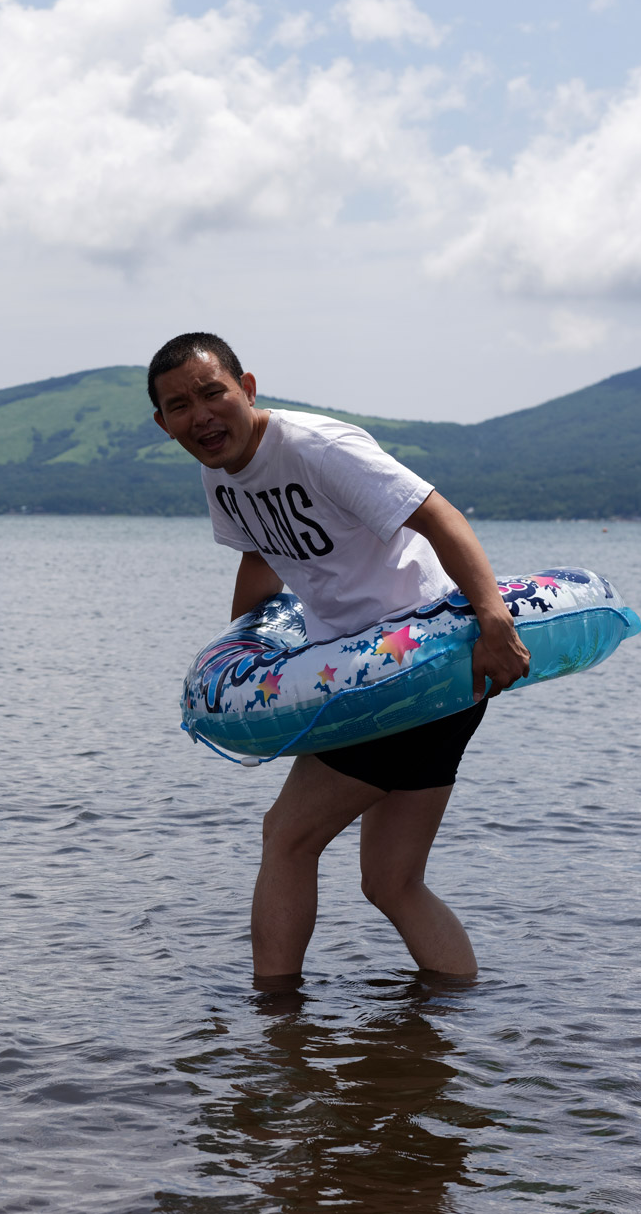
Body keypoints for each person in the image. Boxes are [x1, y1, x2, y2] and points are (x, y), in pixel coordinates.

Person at [147, 332, 531, 991]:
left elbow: (437, 514)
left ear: (247, 387)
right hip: (387, 679)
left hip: (413, 670)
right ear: (162, 423)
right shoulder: (221, 474)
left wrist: (493, 619)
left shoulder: (318, 448)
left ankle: (276, 1022)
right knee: (391, 881)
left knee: (287, 837)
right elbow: (259, 554)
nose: (201, 415)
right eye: (179, 406)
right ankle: (450, 1024)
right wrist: (241, 666)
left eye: (213, 393)